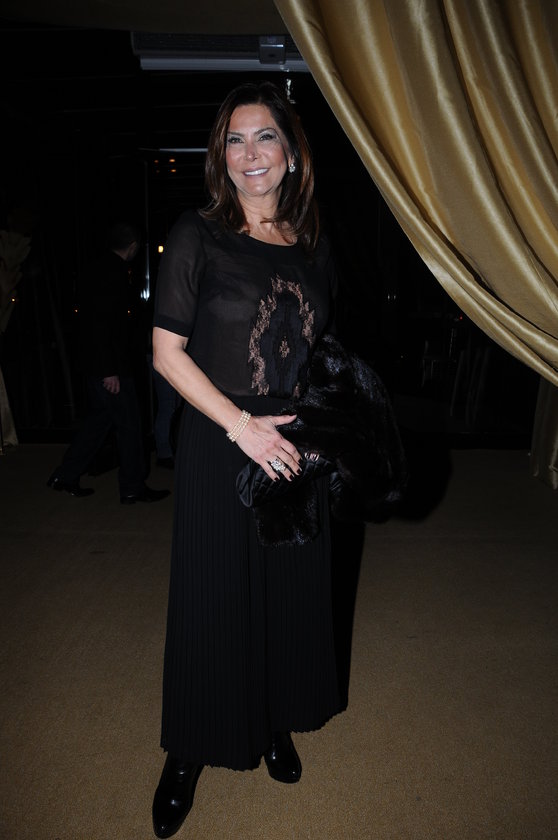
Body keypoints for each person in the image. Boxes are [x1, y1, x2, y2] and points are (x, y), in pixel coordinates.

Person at [151, 82, 341, 839]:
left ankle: (272, 721)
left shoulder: (314, 247)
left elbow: (319, 352)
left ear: (291, 154)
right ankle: (187, 752)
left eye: (265, 137)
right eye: (235, 139)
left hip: (294, 445)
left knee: (284, 595)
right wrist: (241, 427)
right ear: (219, 156)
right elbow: (167, 353)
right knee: (213, 598)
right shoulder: (197, 234)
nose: (250, 153)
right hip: (221, 438)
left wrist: (331, 428)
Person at [48, 222, 169, 505]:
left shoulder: (96, 269)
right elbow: (102, 326)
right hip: (111, 367)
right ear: (133, 246)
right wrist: (109, 371)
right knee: (129, 427)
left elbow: (93, 324)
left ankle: (65, 475)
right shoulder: (113, 273)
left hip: (98, 364)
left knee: (99, 422)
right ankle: (132, 487)